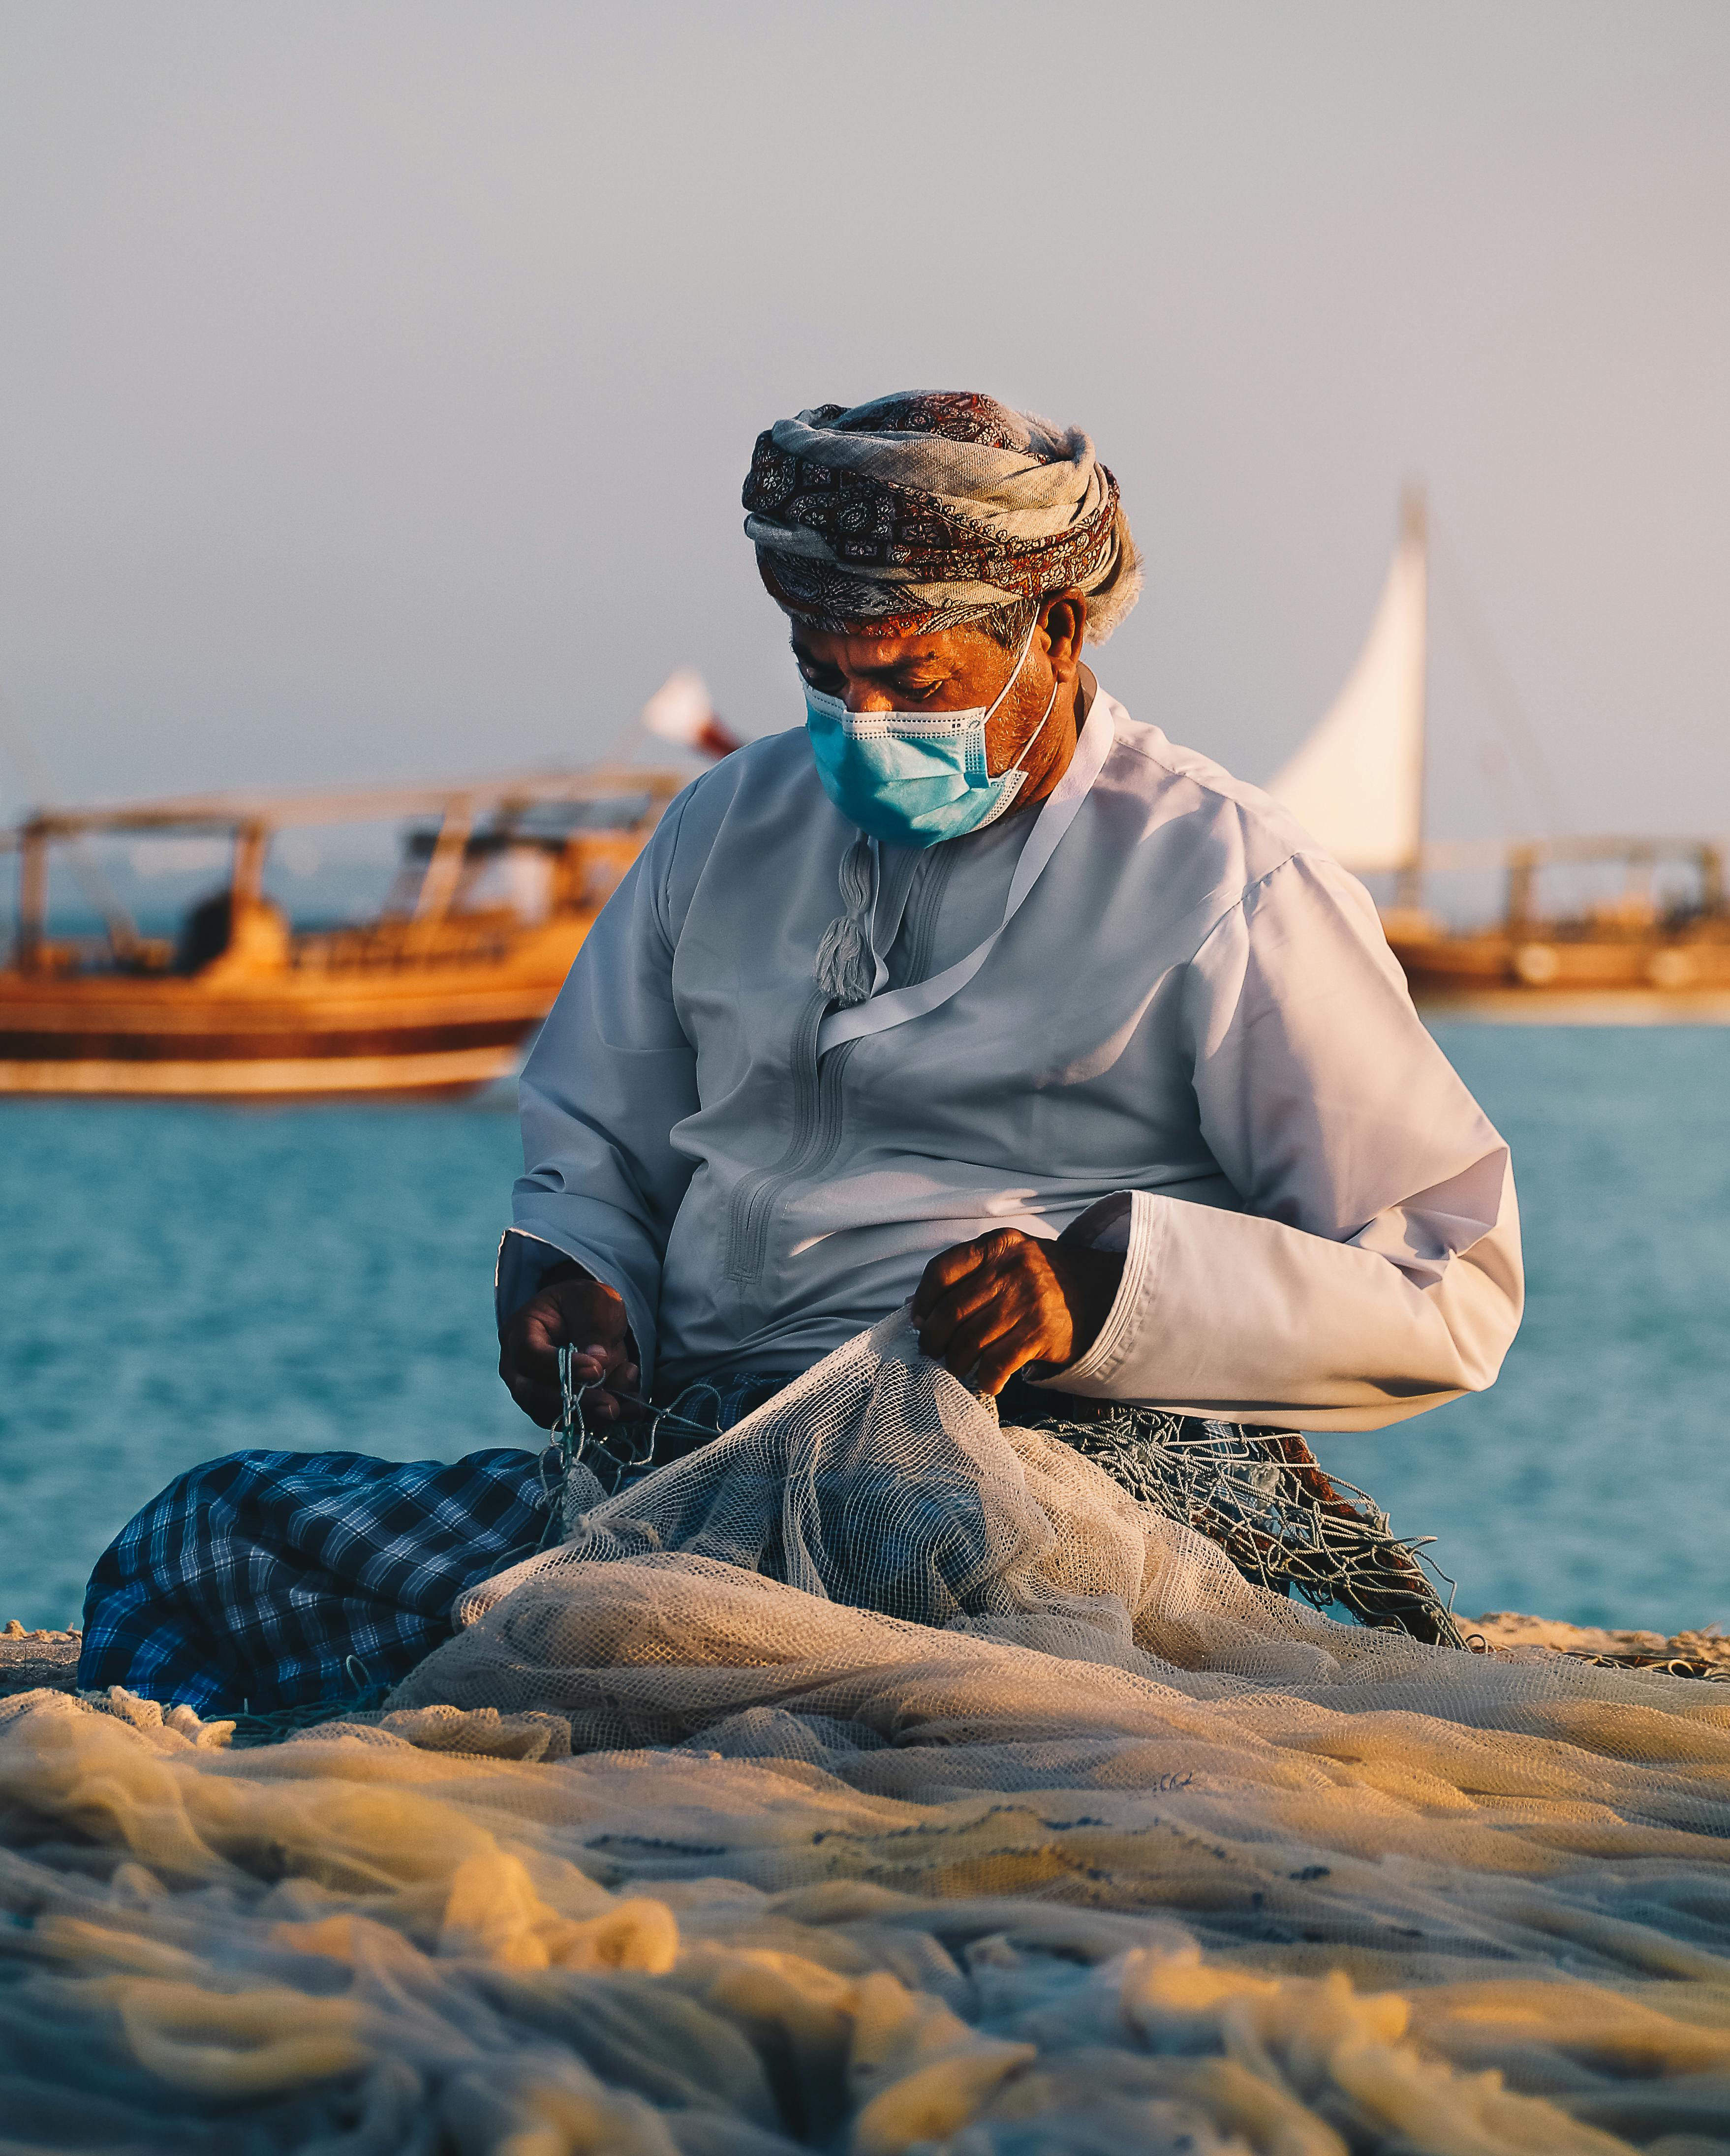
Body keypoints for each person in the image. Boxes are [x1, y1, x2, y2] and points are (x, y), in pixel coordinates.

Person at [81, 392, 1521, 1713]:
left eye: (908, 679)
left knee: (867, 1582)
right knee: (214, 1533)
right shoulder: (726, 826)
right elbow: (594, 1141)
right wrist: (570, 1265)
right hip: (686, 1466)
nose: (860, 725)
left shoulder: (1223, 878)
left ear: (1058, 631)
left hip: (1014, 1478)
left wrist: (1108, 1291)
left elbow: (1447, 1286)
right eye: (823, 679)